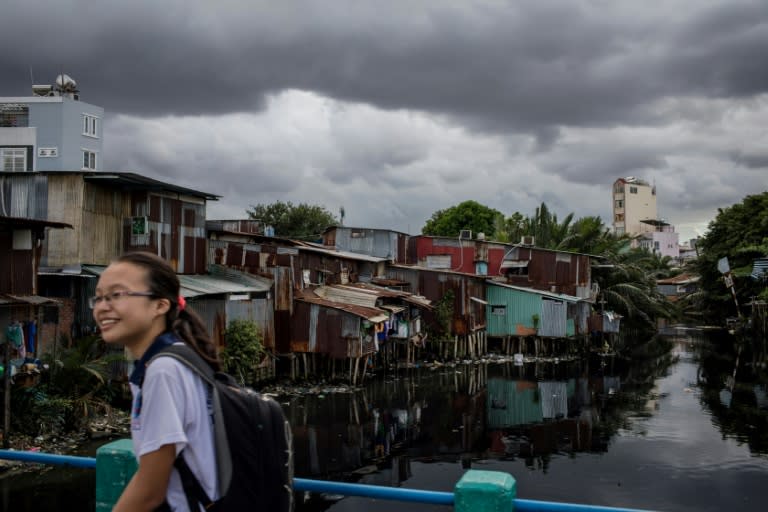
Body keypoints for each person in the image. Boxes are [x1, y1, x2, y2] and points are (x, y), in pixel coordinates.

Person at [91, 252, 220, 511]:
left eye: (117, 295)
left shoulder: (164, 370)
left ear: (160, 305)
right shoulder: (177, 358)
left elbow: (150, 489)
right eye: (99, 297)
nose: (102, 307)